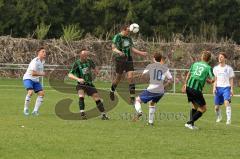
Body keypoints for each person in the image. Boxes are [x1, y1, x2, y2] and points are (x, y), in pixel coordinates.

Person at [110, 24, 147, 104]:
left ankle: (132, 98)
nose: (129, 32)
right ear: (123, 30)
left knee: (130, 77)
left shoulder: (129, 38)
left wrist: (141, 53)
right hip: (120, 59)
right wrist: (119, 52)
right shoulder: (117, 36)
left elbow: (132, 49)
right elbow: (113, 48)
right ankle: (112, 90)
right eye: (128, 31)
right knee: (118, 78)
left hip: (128, 59)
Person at [68, 49, 109, 120]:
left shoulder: (89, 61)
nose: (86, 57)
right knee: (81, 96)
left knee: (97, 98)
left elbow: (95, 68)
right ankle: (82, 114)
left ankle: (103, 115)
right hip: (81, 84)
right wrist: (78, 79)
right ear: (80, 55)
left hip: (89, 84)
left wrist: (97, 72)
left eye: (87, 55)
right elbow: (69, 74)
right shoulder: (76, 63)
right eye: (84, 55)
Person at [133, 53, 173, 125]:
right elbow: (170, 80)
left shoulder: (150, 66)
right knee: (152, 103)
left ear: (154, 59)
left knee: (137, 100)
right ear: (160, 59)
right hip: (161, 91)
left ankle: (139, 111)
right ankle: (150, 122)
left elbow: (143, 75)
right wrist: (164, 86)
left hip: (152, 89)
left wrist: (136, 76)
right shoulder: (165, 68)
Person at [182, 51, 215, 130]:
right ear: (209, 59)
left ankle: (191, 125)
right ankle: (189, 122)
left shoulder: (195, 64)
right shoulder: (208, 67)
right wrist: (210, 81)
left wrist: (185, 84)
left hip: (189, 87)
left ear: (202, 57)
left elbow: (189, 74)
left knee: (195, 106)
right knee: (203, 108)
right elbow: (213, 79)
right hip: (196, 89)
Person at [23, 47, 46, 116]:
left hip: (35, 80)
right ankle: (26, 109)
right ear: (38, 53)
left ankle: (35, 111)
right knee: (30, 92)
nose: (45, 53)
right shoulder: (35, 61)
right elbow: (33, 73)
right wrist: (42, 74)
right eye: (43, 51)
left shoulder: (43, 61)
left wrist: (40, 74)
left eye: (45, 52)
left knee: (41, 93)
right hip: (28, 78)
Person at [213, 52, 234, 125]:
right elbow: (215, 79)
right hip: (218, 88)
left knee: (226, 102)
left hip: (226, 88)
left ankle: (228, 120)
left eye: (221, 57)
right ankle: (219, 117)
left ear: (225, 58)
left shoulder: (229, 68)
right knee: (216, 107)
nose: (220, 58)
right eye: (219, 57)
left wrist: (231, 89)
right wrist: (214, 88)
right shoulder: (215, 68)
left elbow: (231, 79)